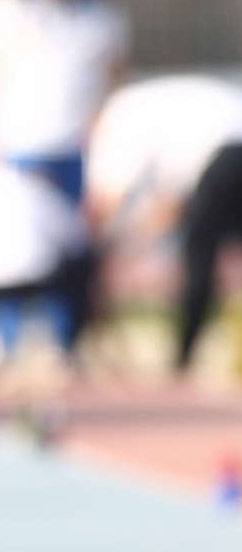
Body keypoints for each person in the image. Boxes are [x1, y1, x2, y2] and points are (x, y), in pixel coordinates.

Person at [0, 0, 127, 362]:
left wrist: (104, 137)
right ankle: (3, 338)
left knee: (72, 250)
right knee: (12, 248)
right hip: (14, 146)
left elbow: (114, 75)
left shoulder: (101, 12)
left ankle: (64, 341)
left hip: (76, 149)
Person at [88, 73, 242, 372]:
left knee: (200, 257)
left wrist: (116, 245)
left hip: (224, 158)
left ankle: (184, 357)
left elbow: (116, 199)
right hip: (227, 148)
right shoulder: (155, 102)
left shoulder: (117, 118)